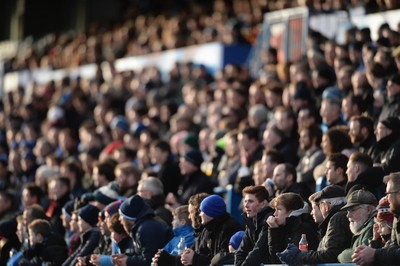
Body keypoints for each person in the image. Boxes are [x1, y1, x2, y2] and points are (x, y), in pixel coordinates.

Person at [277, 185, 352, 265]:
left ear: (325, 206)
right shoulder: (338, 218)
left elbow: (330, 255)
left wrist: (300, 255)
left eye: (313, 208)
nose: (311, 212)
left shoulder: (337, 218)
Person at [352, 172, 400, 265]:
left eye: (389, 193)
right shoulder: (397, 216)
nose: (386, 198)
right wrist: (371, 249)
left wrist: (375, 254)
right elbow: (393, 247)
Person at [113, 195, 173, 266]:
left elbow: (149, 260)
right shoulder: (142, 226)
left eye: (121, 216)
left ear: (129, 218)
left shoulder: (146, 229)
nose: (119, 219)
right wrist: (127, 257)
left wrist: (128, 261)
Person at [267, 192, 319, 264]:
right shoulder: (284, 227)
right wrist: (274, 230)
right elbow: (275, 258)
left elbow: (288, 258)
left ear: (292, 211)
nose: (275, 214)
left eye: (279, 209)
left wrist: (275, 230)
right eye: (275, 210)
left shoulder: (303, 228)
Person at [235, 185, 273, 266]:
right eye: (245, 201)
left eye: (250, 201)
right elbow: (241, 252)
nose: (246, 205)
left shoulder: (269, 220)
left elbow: (259, 251)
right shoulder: (251, 222)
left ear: (263, 203)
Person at [337, 189, 378, 263]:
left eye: (352, 210)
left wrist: (343, 254)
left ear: (368, 210)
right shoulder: (363, 226)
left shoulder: (372, 225)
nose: (348, 215)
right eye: (347, 211)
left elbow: (361, 255)